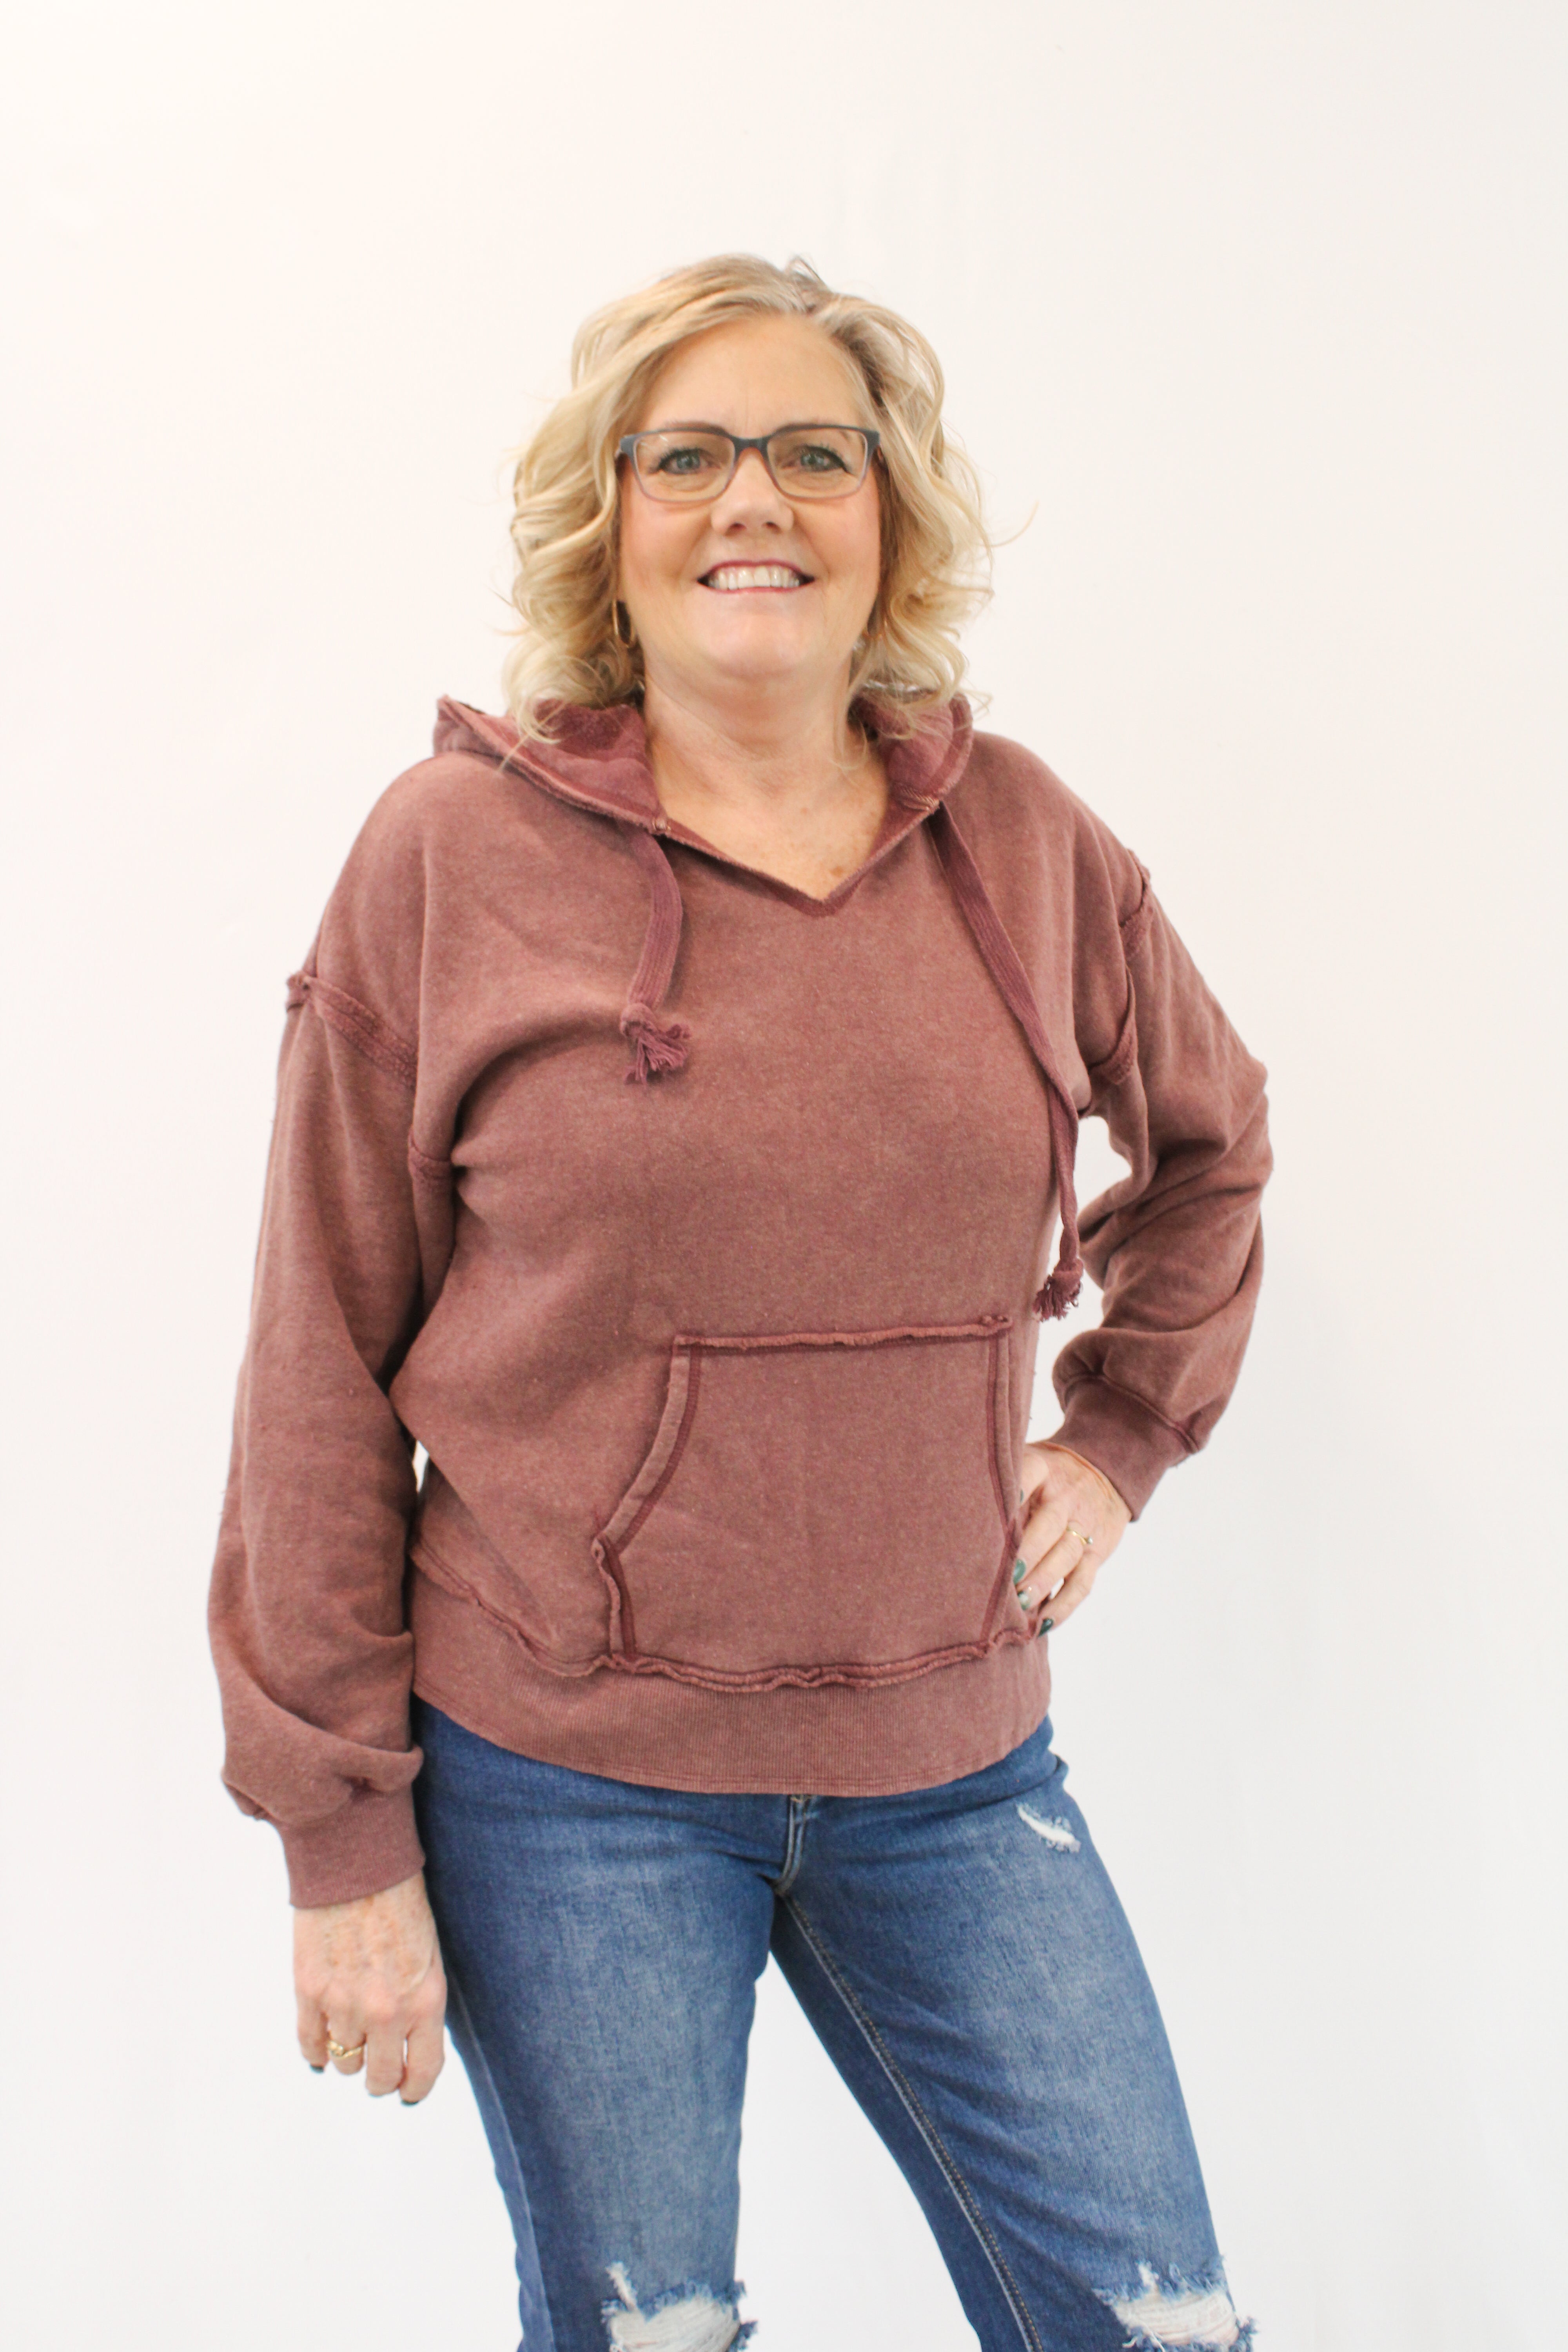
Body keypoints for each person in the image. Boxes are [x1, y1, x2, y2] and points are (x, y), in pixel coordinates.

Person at [208, 254, 1269, 2352]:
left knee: (1161, 2322)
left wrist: (1123, 1434)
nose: (752, 501)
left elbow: (1211, 1146)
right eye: (685, 457)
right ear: (609, 520)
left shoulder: (1027, 844)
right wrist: (341, 1837)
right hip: (563, 1782)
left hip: (954, 1765)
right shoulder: (447, 855)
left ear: (892, 514)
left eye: (813, 454)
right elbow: (317, 1353)